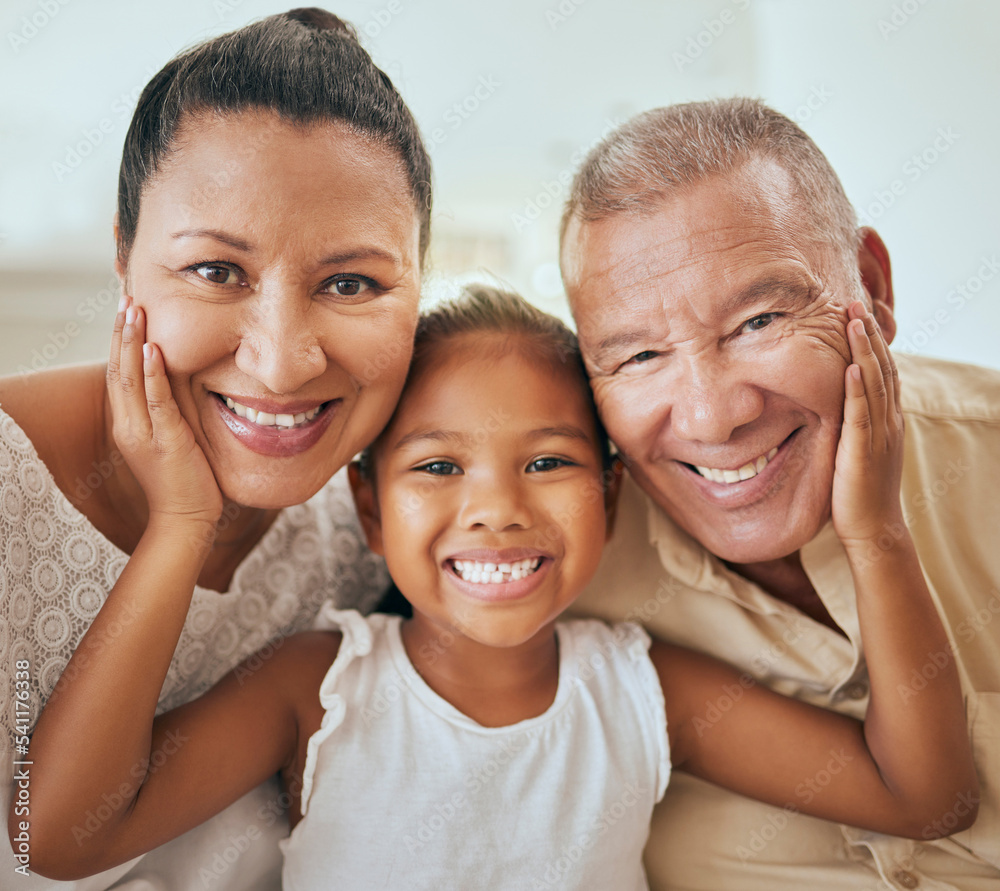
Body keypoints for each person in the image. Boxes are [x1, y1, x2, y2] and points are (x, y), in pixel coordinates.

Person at [17, 285, 978, 887]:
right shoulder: (319, 686)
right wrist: (178, 529)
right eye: (437, 468)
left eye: (549, 463)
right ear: (367, 506)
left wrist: (878, 533)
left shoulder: (643, 693)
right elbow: (62, 835)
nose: (496, 511)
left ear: (608, 489)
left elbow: (924, 796)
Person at [1, 9, 431, 888]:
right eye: (216, 271)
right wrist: (182, 521)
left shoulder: (372, 520)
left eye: (350, 282)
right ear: (124, 258)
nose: (281, 361)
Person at [559, 97, 1000, 890]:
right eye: (638, 358)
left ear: (870, 285)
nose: (712, 416)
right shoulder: (552, 576)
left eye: (759, 320)